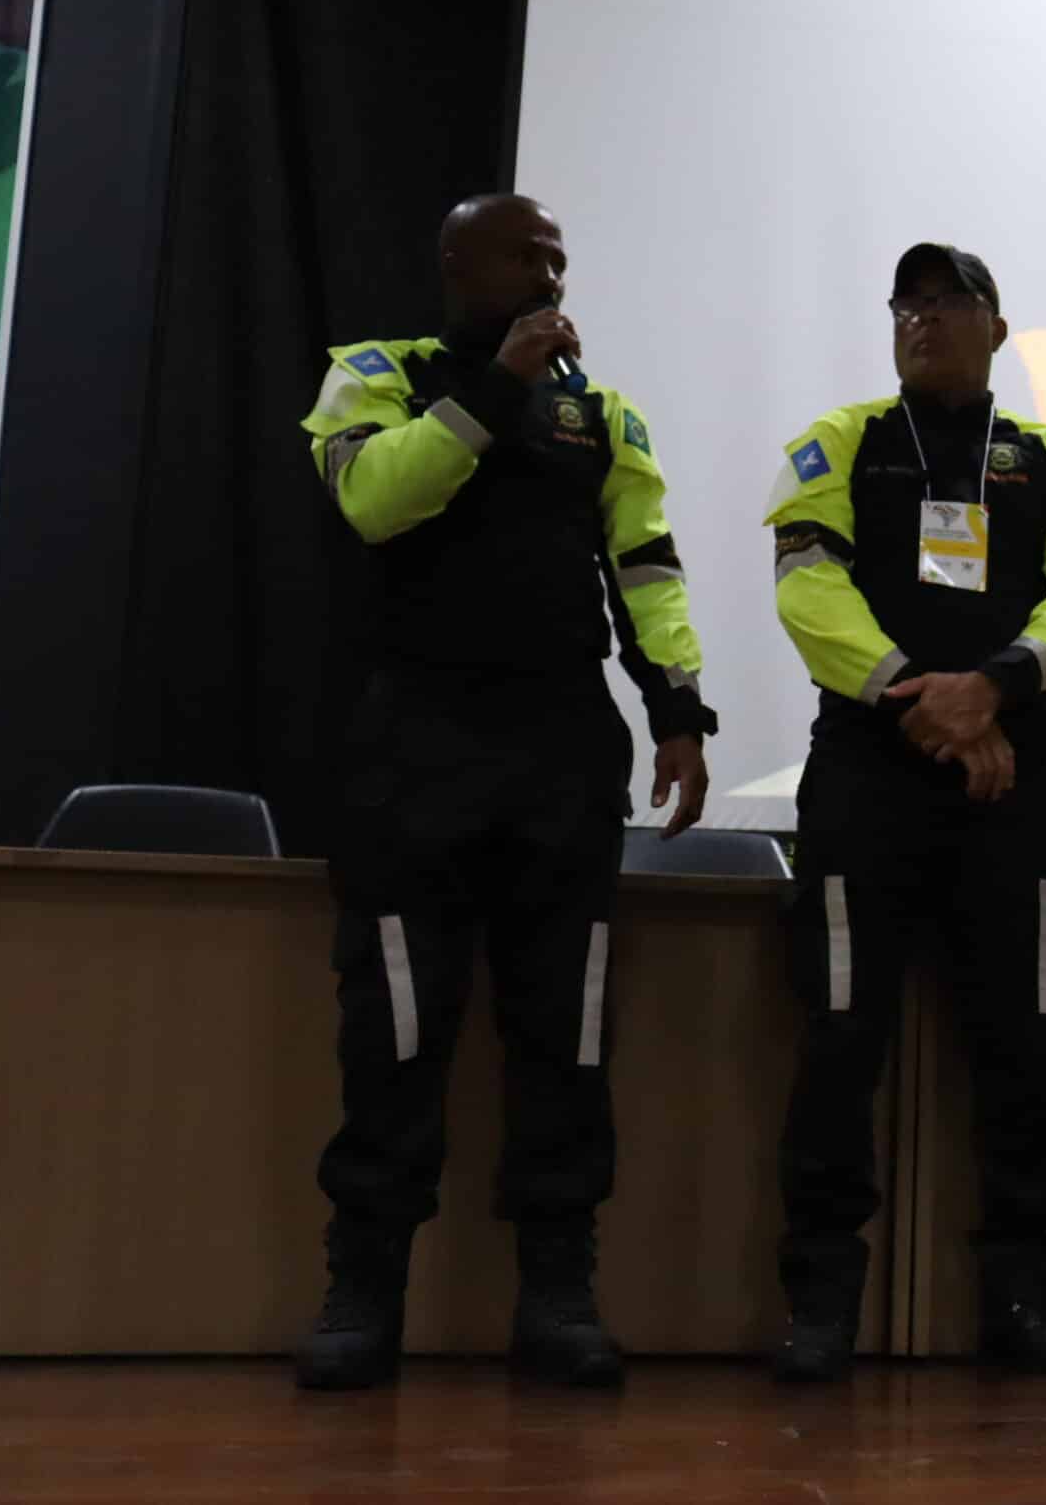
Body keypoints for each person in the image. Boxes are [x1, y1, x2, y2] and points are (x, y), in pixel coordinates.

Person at [294, 194, 716, 1390]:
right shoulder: (373, 374)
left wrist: (678, 712)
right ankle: (363, 1290)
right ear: (455, 261)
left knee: (565, 1028)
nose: (549, 275)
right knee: (396, 1027)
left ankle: (559, 1294)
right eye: (526, 254)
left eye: (559, 260)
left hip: (560, 745)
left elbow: (646, 566)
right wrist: (497, 388)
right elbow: (376, 500)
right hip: (413, 740)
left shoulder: (602, 414)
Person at [763, 243, 1046, 1383]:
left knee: (1024, 1043)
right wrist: (917, 698)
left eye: (949, 302)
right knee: (838, 1035)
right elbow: (805, 585)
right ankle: (821, 1300)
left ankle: (1021, 1297)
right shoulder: (841, 441)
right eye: (907, 305)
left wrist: (996, 689)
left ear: (997, 328)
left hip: (1009, 778)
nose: (923, 320)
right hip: (866, 773)